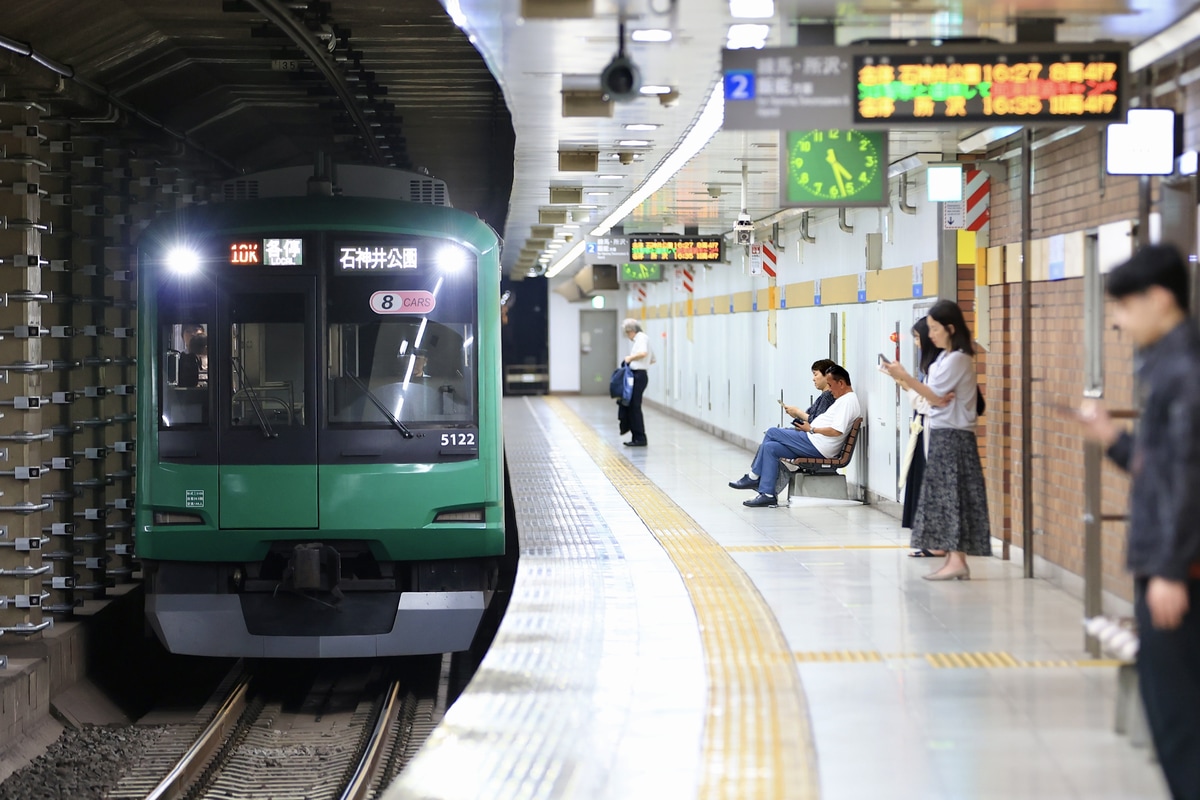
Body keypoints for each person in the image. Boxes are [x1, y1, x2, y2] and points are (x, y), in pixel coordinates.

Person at [1075, 244, 1200, 800]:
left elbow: (1189, 480)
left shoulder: (1183, 370)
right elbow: (1162, 469)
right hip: (1172, 560)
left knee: (1176, 716)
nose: (1120, 322)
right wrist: (1115, 441)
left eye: (1123, 306)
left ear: (1160, 298)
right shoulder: (1170, 365)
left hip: (1179, 567)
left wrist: (1172, 570)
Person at [882, 300, 989, 580]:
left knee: (953, 496)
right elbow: (934, 396)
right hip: (943, 433)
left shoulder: (958, 359)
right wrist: (920, 388)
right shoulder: (944, 358)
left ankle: (956, 559)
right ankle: (955, 559)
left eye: (934, 329)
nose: (931, 335)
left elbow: (936, 397)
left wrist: (905, 378)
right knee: (946, 497)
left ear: (950, 329)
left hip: (954, 436)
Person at [729, 365, 862, 508]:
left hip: (817, 445)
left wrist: (811, 429)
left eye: (830, 385)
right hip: (814, 441)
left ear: (841, 383)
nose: (829, 389)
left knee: (772, 432)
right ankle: (767, 494)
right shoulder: (844, 400)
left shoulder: (848, 401)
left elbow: (837, 431)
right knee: (770, 448)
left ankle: (753, 477)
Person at [894, 319, 943, 556]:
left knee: (930, 486)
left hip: (934, 432)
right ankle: (930, 541)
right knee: (922, 485)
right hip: (923, 430)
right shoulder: (931, 367)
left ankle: (938, 544)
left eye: (917, 337)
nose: (917, 342)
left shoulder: (940, 366)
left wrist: (906, 383)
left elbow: (927, 402)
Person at [619, 318, 651, 447]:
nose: (628, 336)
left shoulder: (641, 338)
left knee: (634, 407)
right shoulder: (642, 339)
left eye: (627, 333)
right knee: (633, 406)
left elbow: (643, 353)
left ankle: (640, 437)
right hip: (640, 374)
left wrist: (630, 358)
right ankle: (636, 436)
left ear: (631, 331)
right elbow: (652, 359)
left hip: (638, 375)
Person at [782, 359, 837, 425]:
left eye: (815, 374)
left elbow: (817, 422)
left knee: (772, 431)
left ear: (827, 376)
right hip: (810, 432)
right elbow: (809, 416)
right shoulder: (824, 396)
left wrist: (798, 412)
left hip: (813, 434)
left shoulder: (827, 396)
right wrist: (796, 414)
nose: (813, 379)